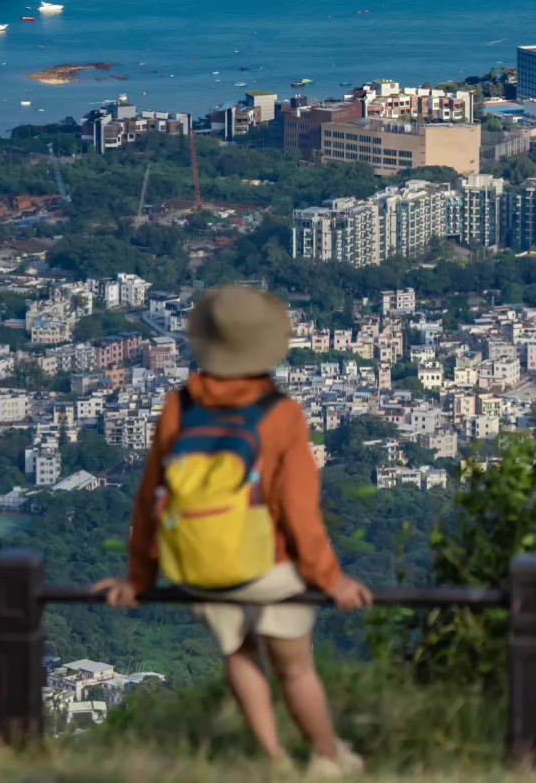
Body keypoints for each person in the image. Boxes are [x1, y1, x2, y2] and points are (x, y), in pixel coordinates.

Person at [95, 284, 373, 777]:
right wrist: (331, 579)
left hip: (201, 564)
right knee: (295, 666)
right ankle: (329, 759)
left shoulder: (178, 407)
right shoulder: (280, 414)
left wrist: (137, 578)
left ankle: (273, 760)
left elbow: (150, 497)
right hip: (270, 564)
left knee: (240, 656)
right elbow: (298, 510)